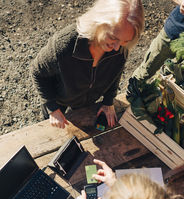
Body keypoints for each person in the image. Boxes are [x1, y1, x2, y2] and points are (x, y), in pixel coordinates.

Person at [30, 0, 144, 129]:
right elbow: (37, 72)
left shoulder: (121, 50)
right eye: (114, 37)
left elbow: (114, 75)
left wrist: (108, 102)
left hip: (87, 101)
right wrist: (52, 108)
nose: (117, 48)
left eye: (125, 41)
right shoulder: (64, 46)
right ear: (99, 22)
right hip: (59, 99)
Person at [131, 0, 184, 83]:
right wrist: (183, 1)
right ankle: (132, 93)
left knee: (182, 83)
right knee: (144, 74)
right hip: (173, 32)